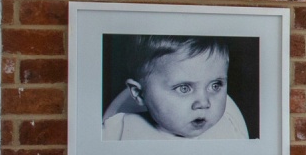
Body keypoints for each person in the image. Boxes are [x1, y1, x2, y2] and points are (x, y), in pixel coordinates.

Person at [102, 35, 249, 140]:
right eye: (184, 88)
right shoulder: (117, 131)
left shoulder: (230, 132)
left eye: (215, 85)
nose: (204, 103)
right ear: (139, 94)